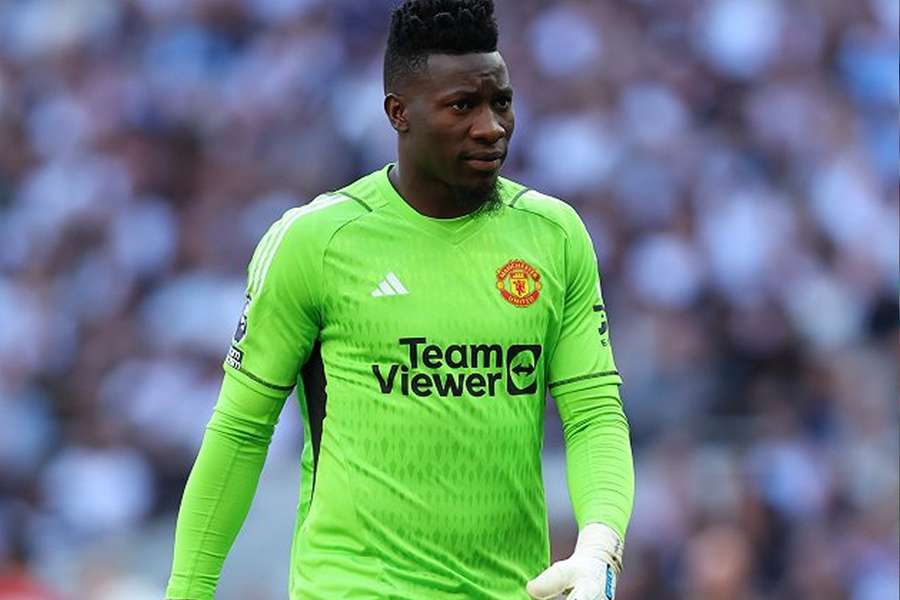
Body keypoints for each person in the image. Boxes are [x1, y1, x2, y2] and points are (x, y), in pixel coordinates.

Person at [165, 1, 634, 598]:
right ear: (398, 113)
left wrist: (598, 548)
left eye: (502, 102)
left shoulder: (554, 235)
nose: (491, 125)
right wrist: (187, 591)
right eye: (462, 105)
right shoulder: (318, 241)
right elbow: (239, 432)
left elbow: (594, 413)